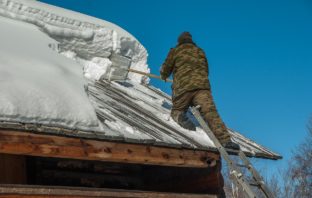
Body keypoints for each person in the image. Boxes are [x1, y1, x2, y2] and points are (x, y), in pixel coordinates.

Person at [160, 32, 239, 150]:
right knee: (211, 113)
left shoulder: (175, 50)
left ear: (179, 41)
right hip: (202, 87)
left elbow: (166, 69)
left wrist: (163, 75)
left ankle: (181, 118)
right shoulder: (200, 51)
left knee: (177, 109)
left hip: (183, 87)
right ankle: (226, 140)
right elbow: (206, 70)